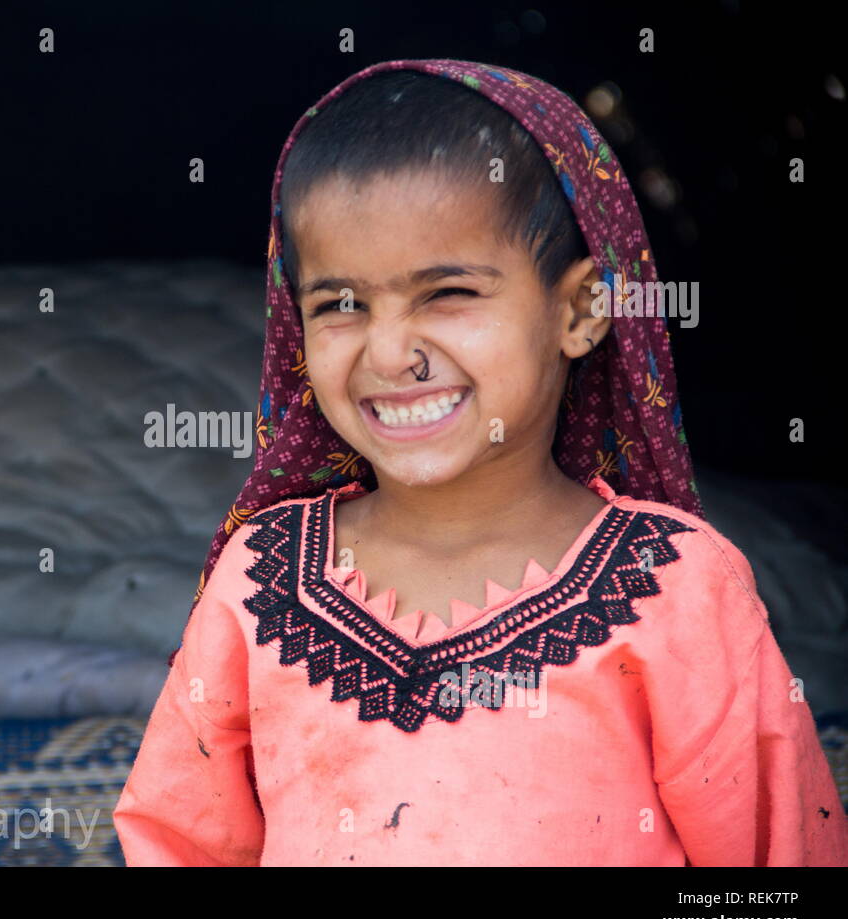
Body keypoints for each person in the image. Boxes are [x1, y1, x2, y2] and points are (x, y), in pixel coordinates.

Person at [111, 59, 848, 866]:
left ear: (578, 311)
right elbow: (178, 843)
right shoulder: (264, 578)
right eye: (340, 305)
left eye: (448, 294)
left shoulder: (673, 586)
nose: (390, 352)